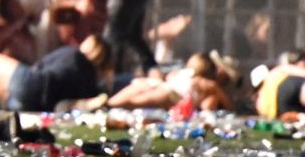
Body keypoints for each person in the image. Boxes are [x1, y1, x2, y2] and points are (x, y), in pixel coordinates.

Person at [0, 35, 110, 111]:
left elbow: (38, 67)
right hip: (36, 107)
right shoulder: (90, 80)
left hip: (34, 85)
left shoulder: (73, 54)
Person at [98, 52, 233, 112]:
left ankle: (107, 102)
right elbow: (212, 107)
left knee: (139, 90)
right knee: (139, 101)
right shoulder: (210, 85)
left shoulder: (185, 73)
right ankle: (108, 104)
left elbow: (168, 77)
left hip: (163, 85)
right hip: (173, 94)